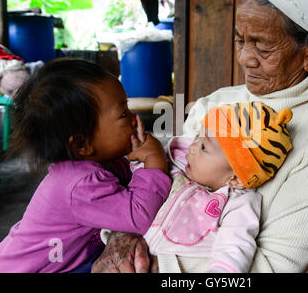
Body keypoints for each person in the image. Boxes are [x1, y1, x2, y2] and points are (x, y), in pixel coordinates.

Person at [93, 0, 308, 273]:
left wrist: (153, 267)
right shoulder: (218, 103)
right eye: (241, 41)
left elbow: (267, 268)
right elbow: (158, 180)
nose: (244, 58)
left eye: (263, 47)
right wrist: (124, 233)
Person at [0, 58, 171, 273]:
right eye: (123, 113)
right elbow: (139, 217)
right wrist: (154, 160)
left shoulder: (100, 162)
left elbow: (129, 183)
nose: (134, 119)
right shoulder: (81, 184)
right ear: (82, 143)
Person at [101, 101, 293, 273]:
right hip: (125, 253)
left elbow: (234, 246)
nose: (192, 147)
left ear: (235, 178)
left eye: (204, 147)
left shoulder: (238, 203)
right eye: (198, 137)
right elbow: (138, 181)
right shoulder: (175, 159)